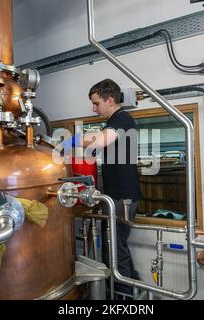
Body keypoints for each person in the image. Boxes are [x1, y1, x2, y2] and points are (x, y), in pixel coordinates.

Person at [81, 79, 142, 296]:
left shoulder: (122, 119)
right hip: (115, 196)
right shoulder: (115, 122)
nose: (93, 108)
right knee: (113, 246)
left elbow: (101, 140)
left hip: (122, 198)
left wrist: (72, 141)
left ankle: (123, 296)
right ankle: (128, 286)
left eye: (96, 103)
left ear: (109, 100)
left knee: (116, 248)